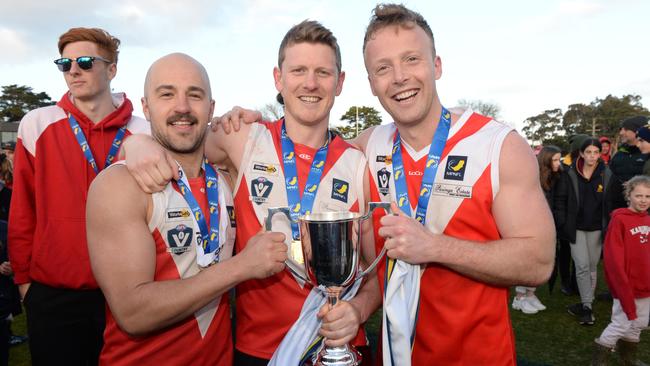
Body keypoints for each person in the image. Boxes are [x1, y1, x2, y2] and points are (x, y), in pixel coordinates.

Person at [123, 21, 380, 366]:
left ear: (340, 82)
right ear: (278, 78)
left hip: (335, 343)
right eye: (298, 70)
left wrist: (359, 310)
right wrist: (136, 143)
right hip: (256, 351)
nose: (310, 83)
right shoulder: (241, 137)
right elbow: (180, 135)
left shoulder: (358, 164)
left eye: (323, 72)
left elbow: (377, 270)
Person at [352, 4, 554, 364]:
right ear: (371, 83)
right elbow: (305, 145)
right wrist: (246, 121)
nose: (399, 77)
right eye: (383, 68)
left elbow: (538, 262)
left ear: (437, 65)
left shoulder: (497, 145)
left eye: (412, 59)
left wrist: (434, 246)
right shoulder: (367, 146)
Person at [86, 53, 287, 365]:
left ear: (211, 107)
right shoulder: (119, 185)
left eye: (194, 94)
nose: (182, 106)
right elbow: (133, 312)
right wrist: (241, 266)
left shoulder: (224, 180)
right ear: (146, 106)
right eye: (167, 94)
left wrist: (254, 121)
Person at [8, 27, 149, 365]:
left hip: (127, 292)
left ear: (111, 69)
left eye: (85, 62)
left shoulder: (143, 132)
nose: (73, 70)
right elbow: (23, 210)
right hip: (54, 295)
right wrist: (26, 283)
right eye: (64, 63)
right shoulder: (37, 123)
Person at [592, 175, 650, 366]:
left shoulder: (648, 220)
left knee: (638, 324)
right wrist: (621, 283)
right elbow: (613, 257)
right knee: (621, 322)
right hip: (626, 285)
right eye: (639, 195)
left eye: (648, 197)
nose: (643, 200)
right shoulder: (619, 220)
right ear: (629, 195)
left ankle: (628, 359)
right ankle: (599, 360)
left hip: (645, 285)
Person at [562, 138, 611, 325]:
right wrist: (563, 221)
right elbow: (563, 199)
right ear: (582, 153)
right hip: (575, 227)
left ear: (600, 154)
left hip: (596, 227)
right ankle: (587, 306)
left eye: (595, 152)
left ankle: (586, 304)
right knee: (581, 265)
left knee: (591, 267)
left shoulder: (607, 173)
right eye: (588, 152)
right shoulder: (570, 173)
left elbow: (611, 201)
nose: (592, 156)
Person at [513, 145, 566, 314]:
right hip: (529, 224)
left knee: (538, 260)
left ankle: (530, 294)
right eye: (556, 159)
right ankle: (519, 298)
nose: (559, 163)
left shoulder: (556, 176)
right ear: (546, 159)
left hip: (545, 224)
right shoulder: (531, 175)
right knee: (528, 261)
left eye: (559, 159)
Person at [607, 116, 649, 213]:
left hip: (642, 215)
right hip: (617, 211)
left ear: (636, 131)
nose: (621, 132)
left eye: (625, 129)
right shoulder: (619, 154)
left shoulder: (647, 155)